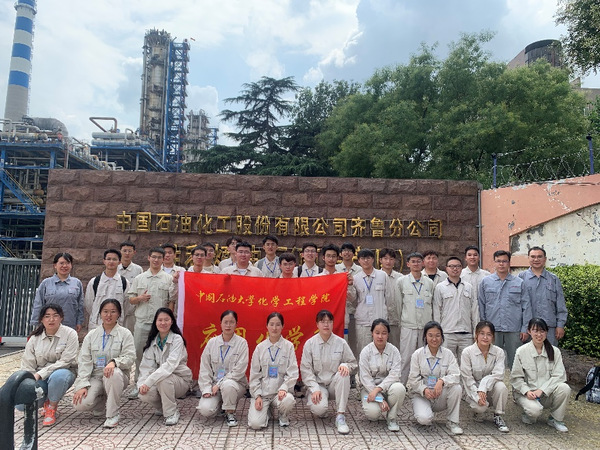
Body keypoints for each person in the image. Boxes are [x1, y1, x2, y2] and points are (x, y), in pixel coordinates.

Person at [72, 299, 135, 428]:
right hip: (96, 376)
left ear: (119, 314)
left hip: (117, 376)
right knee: (80, 404)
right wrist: (82, 385)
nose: (109, 315)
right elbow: (84, 361)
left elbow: (130, 357)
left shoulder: (125, 334)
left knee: (113, 374)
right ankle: (101, 403)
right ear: (100, 313)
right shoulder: (91, 335)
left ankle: (112, 414)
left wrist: (115, 362)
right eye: (105, 311)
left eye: (113, 312)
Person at [127, 247, 177, 398]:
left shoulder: (168, 279)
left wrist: (168, 321)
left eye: (159, 257)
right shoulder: (139, 278)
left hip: (161, 325)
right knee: (140, 354)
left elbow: (171, 301)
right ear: (148, 258)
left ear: (163, 259)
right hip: (142, 323)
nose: (156, 260)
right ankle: (138, 384)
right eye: (153, 257)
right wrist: (140, 298)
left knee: (161, 355)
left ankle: (158, 385)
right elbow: (130, 299)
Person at [19, 304, 78, 426]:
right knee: (20, 404)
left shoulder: (70, 334)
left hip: (64, 372)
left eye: (55, 316)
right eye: (47, 316)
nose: (51, 319)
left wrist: (41, 373)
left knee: (59, 376)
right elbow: (27, 363)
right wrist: (30, 382)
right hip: (40, 378)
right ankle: (45, 401)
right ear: (41, 319)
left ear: (61, 317)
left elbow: (66, 361)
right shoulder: (34, 338)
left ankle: (51, 406)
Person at [300, 310, 357, 435]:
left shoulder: (341, 343)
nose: (326, 324)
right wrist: (314, 389)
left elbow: (353, 363)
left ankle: (340, 416)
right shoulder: (310, 344)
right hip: (318, 386)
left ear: (333, 323)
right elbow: (306, 370)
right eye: (322, 321)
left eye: (329, 321)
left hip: (334, 385)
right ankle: (323, 406)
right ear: (317, 324)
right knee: (319, 409)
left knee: (343, 374)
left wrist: (345, 365)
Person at [511, 318, 570, 432]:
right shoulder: (521, 351)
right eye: (535, 331)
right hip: (527, 394)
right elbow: (516, 378)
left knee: (564, 388)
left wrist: (542, 390)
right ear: (529, 331)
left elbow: (559, 376)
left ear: (546, 332)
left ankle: (555, 419)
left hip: (546, 394)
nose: (539, 334)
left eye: (542, 331)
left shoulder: (555, 351)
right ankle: (529, 414)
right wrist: (527, 391)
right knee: (534, 412)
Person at [138, 308, 193, 426]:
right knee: (144, 393)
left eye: (166, 320)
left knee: (164, 379)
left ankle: (171, 413)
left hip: (179, 380)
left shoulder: (177, 339)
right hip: (159, 380)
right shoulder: (152, 342)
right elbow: (145, 368)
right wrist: (142, 384)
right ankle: (163, 407)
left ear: (172, 321)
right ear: (155, 322)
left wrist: (149, 382)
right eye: (160, 320)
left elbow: (169, 366)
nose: (163, 323)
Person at [407, 321, 463, 435]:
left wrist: (442, 381)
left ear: (442, 337)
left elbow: (456, 375)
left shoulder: (448, 354)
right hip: (422, 395)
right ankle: (423, 411)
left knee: (456, 388)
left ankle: (452, 422)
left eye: (437, 335)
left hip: (440, 394)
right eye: (430, 335)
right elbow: (413, 379)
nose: (434, 339)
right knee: (424, 419)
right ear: (425, 337)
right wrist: (424, 389)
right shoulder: (417, 354)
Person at [479, 250, 531, 369]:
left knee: (516, 362)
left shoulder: (519, 283)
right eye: (498, 261)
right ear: (494, 262)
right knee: (491, 361)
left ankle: (516, 381)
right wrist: (483, 328)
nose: (501, 264)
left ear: (509, 263)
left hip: (514, 329)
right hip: (492, 329)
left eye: (504, 261)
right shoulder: (486, 282)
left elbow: (526, 307)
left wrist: (525, 328)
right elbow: (481, 305)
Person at [197, 310, 249, 427]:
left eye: (232, 322)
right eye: (225, 322)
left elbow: (239, 370)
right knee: (206, 410)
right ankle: (221, 405)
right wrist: (206, 389)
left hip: (235, 384)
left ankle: (230, 413)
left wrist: (219, 384)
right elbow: (205, 368)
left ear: (236, 324)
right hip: (214, 386)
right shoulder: (212, 343)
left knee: (228, 384)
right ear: (220, 324)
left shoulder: (242, 343)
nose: (228, 325)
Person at [248, 312, 299, 429]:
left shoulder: (289, 346)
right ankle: (267, 410)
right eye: (271, 324)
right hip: (264, 394)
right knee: (255, 424)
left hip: (280, 393)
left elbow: (293, 372)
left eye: (278, 324)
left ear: (283, 326)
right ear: (267, 326)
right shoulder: (260, 348)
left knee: (288, 400)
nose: (274, 328)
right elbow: (254, 375)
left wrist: (284, 388)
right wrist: (257, 395)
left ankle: (283, 415)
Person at [460, 320, 509, 433]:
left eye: (489, 334)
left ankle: (498, 415)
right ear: (476, 335)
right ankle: (478, 412)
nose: (485, 337)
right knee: (480, 408)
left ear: (493, 337)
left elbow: (498, 374)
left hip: (490, 388)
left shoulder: (499, 352)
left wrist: (484, 386)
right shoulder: (467, 352)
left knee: (501, 387)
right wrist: (477, 394)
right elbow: (467, 378)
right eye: (482, 333)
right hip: (473, 389)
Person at [358, 318, 406, 432]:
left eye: (384, 333)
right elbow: (365, 378)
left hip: (388, 388)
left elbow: (395, 374)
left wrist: (378, 389)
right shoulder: (366, 352)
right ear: (372, 333)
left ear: (388, 334)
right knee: (373, 414)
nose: (380, 336)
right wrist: (378, 398)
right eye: (377, 333)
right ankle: (381, 404)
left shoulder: (394, 351)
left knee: (400, 388)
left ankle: (392, 418)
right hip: (369, 389)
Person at [347, 249, 394, 355]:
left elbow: (389, 298)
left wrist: (387, 317)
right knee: (363, 350)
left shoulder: (382, 275)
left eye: (368, 258)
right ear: (359, 260)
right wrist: (349, 285)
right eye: (363, 258)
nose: (366, 261)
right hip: (363, 322)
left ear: (373, 259)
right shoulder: (356, 278)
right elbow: (353, 300)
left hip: (380, 319)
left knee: (381, 349)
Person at [396, 252, 434, 384]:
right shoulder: (401, 282)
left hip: (425, 327)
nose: (416, 264)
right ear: (408, 264)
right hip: (408, 326)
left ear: (422, 263)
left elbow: (432, 305)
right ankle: (401, 385)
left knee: (425, 357)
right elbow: (398, 305)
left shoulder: (429, 283)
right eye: (413, 261)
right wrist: (403, 321)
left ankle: (424, 386)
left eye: (418, 261)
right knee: (406, 358)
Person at [518, 247, 568, 346]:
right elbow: (517, 305)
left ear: (545, 259)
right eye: (533, 257)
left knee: (550, 354)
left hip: (549, 329)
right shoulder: (520, 278)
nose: (536, 259)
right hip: (528, 329)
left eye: (539, 257)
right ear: (528, 258)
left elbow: (560, 305)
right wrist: (523, 328)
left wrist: (560, 325)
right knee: (528, 355)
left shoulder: (553, 279)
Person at [433, 256, 479, 361]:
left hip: (466, 333)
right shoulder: (440, 287)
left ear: (462, 268)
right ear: (446, 268)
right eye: (452, 266)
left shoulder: (468, 287)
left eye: (458, 266)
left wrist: (476, 332)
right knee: (446, 362)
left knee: (466, 363)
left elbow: (474, 311)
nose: (455, 269)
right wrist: (438, 333)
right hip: (447, 333)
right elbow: (436, 311)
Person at [30, 252, 84, 332]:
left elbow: (80, 305)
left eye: (67, 263)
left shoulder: (77, 283)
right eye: (61, 263)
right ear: (55, 265)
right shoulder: (46, 283)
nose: (64, 266)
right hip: (49, 324)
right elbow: (38, 304)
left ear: (71, 265)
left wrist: (79, 322)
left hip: (69, 324)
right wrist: (36, 322)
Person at [85, 249, 130, 331]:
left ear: (119, 262)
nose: (111, 262)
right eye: (108, 259)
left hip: (117, 325)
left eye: (114, 259)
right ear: (104, 261)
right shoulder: (95, 282)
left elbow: (127, 304)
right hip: (96, 324)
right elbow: (89, 304)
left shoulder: (124, 282)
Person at [378, 248, 403, 348]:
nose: (388, 262)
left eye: (391, 259)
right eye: (385, 258)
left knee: (395, 346)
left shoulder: (400, 278)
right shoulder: (376, 276)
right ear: (380, 260)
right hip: (379, 319)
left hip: (395, 319)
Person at [118, 241, 143, 333]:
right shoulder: (115, 268)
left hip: (131, 311)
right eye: (124, 251)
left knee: (130, 335)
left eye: (129, 251)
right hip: (116, 309)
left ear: (134, 252)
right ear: (120, 251)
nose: (127, 253)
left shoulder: (138, 269)